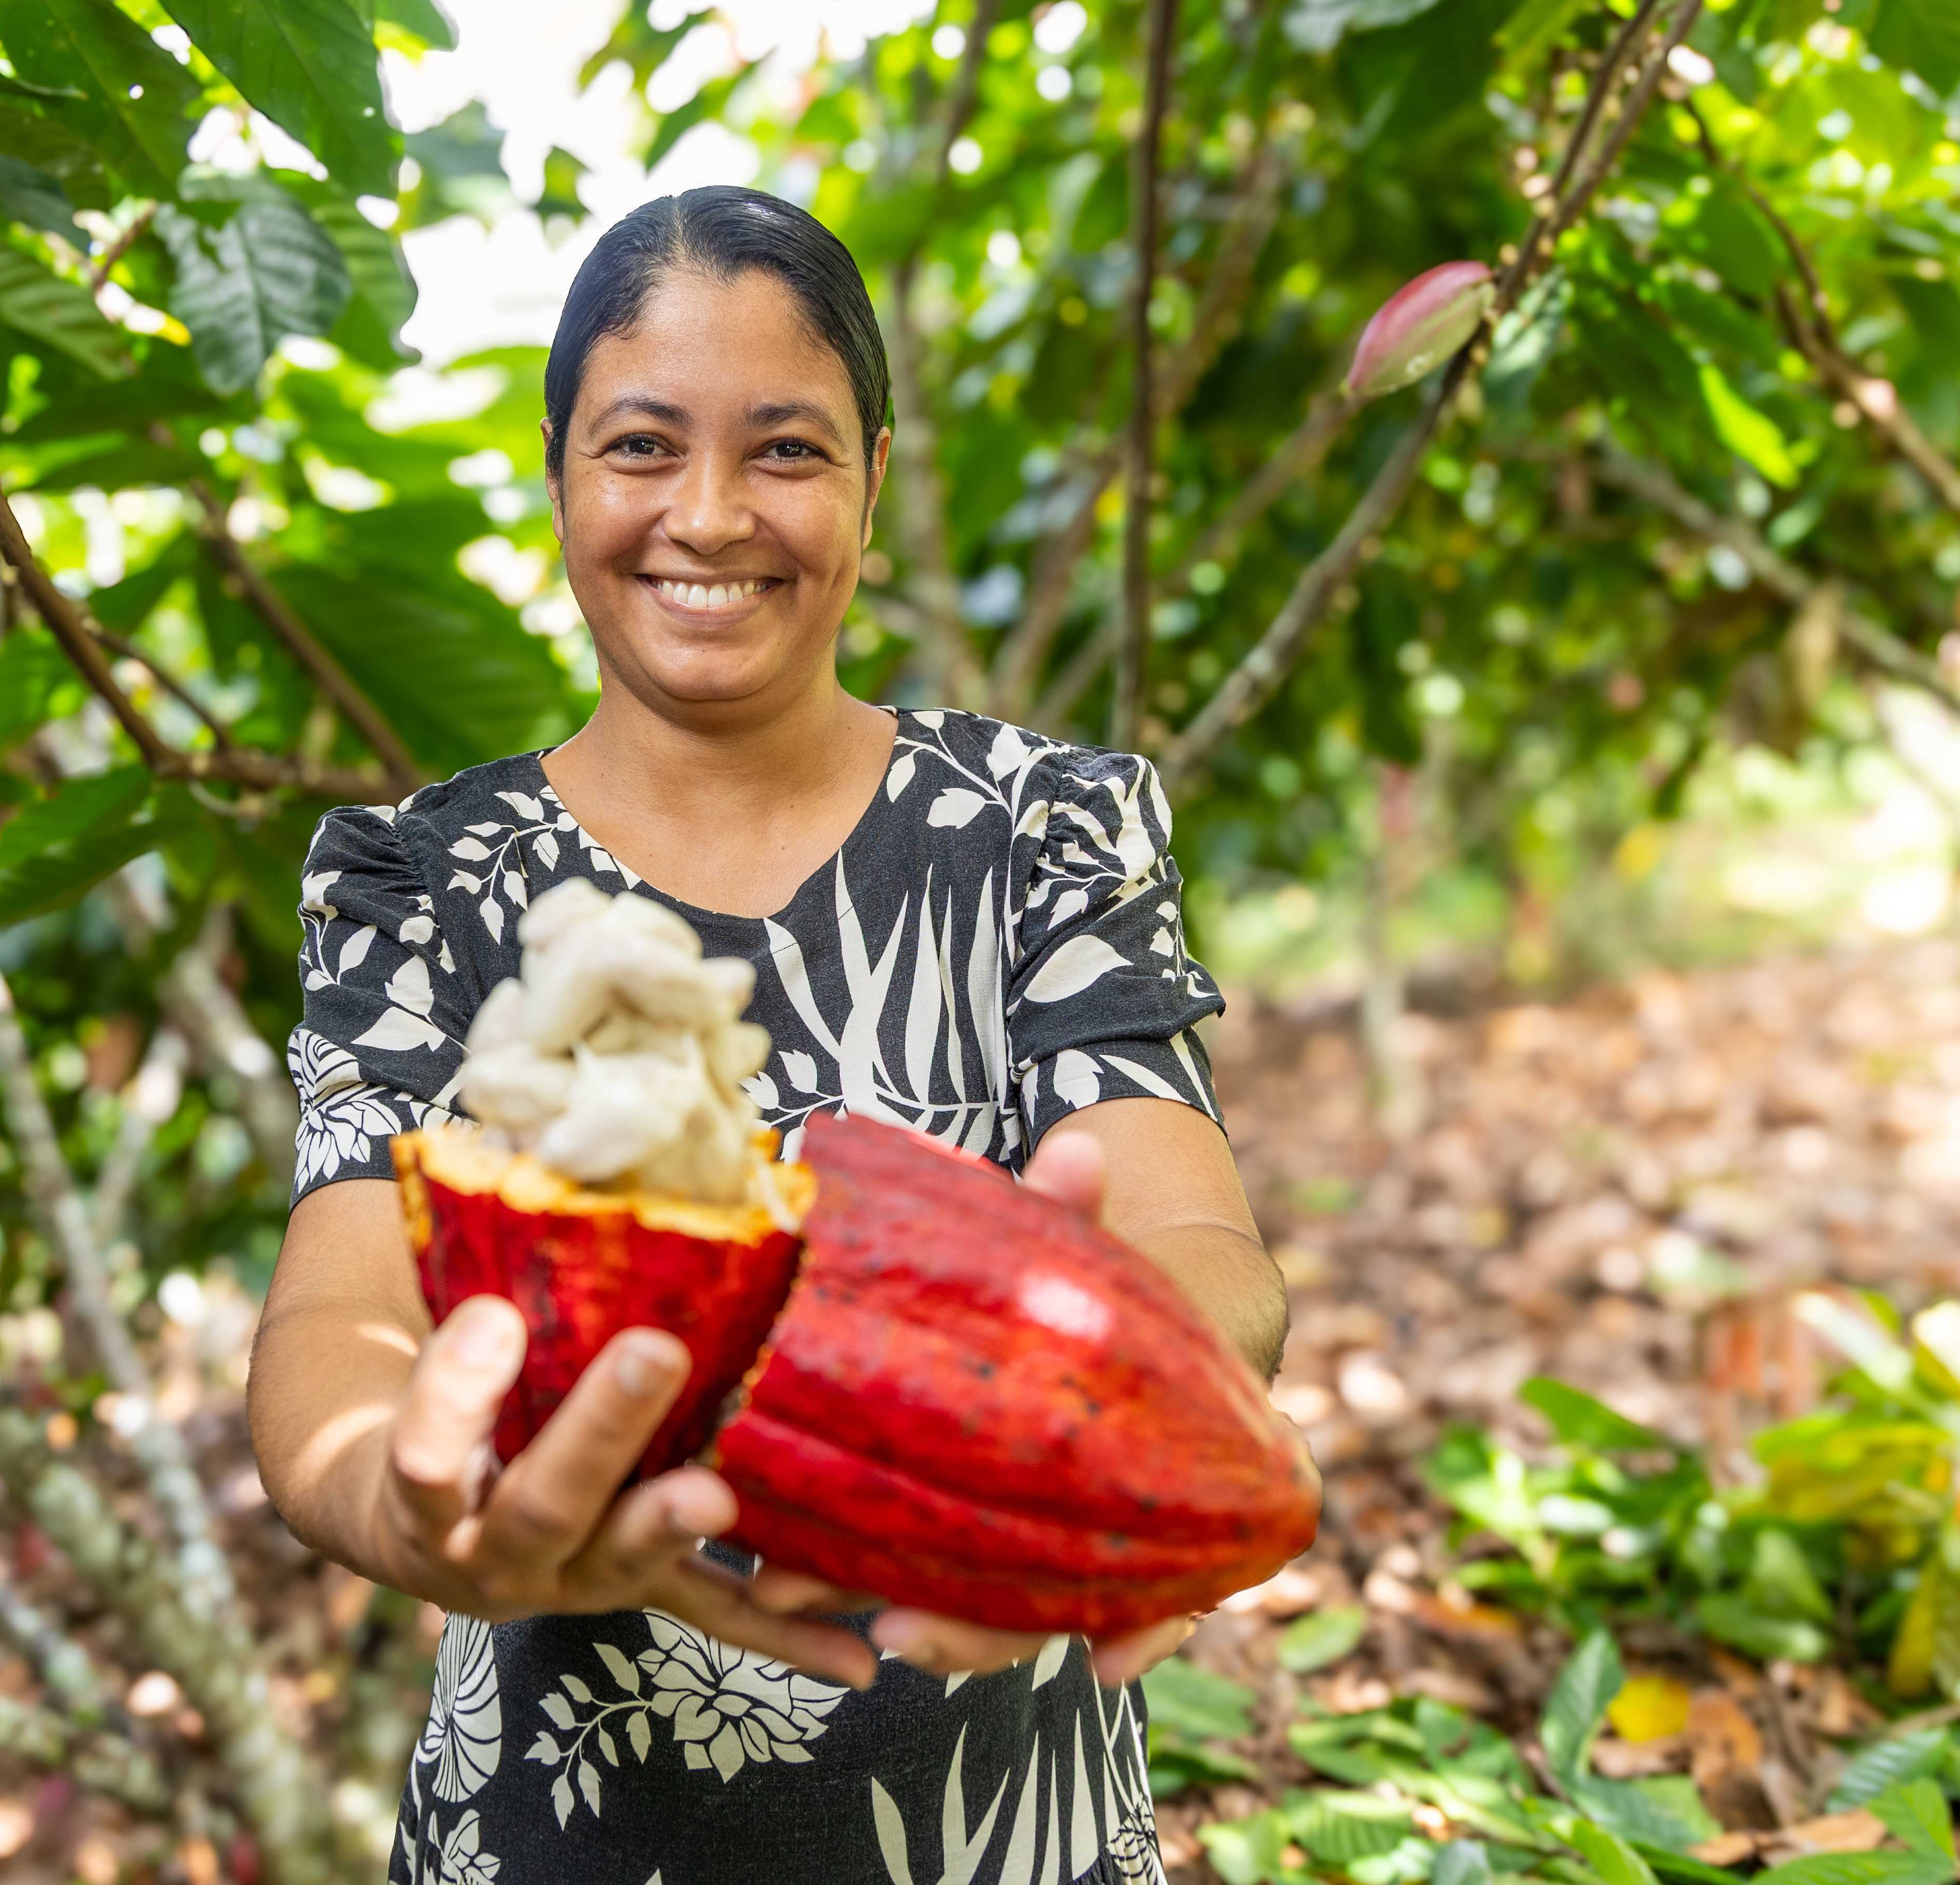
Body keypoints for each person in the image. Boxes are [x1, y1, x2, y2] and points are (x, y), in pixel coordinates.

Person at [249, 185, 1303, 1885]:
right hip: (557, 1838)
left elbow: (1197, 1236)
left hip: (1009, 1831)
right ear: (559, 475)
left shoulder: (1042, 825)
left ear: (872, 480)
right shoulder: (419, 876)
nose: (709, 515)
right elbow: (337, 1316)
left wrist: (1125, 1394)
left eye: (788, 451)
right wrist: (411, 1501)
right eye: (641, 446)